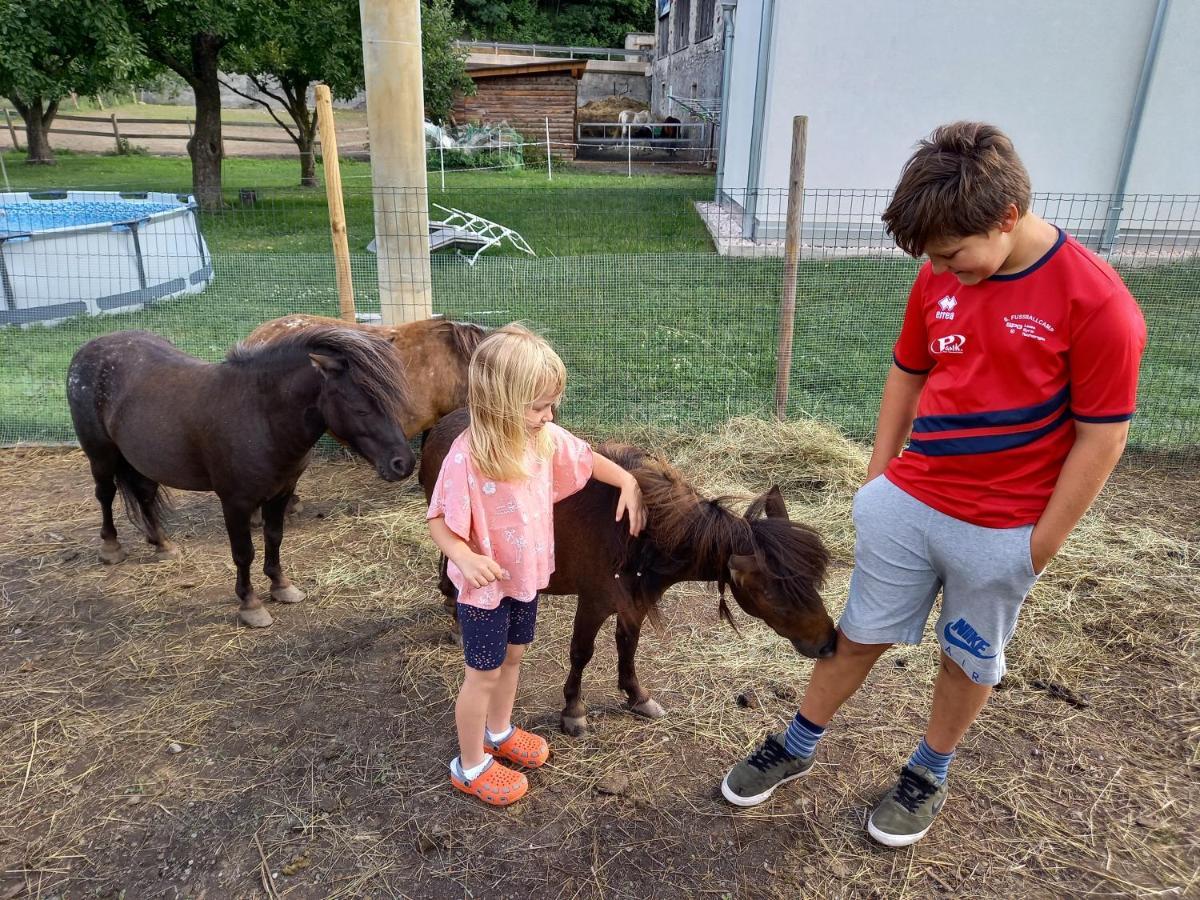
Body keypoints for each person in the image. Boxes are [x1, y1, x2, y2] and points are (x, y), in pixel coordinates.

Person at [720, 122, 1147, 846]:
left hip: (1002, 531)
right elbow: (908, 371)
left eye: (954, 255)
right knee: (855, 634)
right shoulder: (938, 276)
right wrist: (877, 480)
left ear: (1007, 217)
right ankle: (796, 746)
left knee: (967, 656)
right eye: (934, 259)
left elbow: (1103, 436)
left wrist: (1038, 546)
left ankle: (928, 771)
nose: (944, 271)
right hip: (910, 506)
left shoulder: (1099, 304)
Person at [427, 324, 647, 807]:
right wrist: (462, 555)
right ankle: (470, 765)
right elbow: (440, 522)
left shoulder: (542, 436)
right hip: (485, 590)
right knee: (480, 674)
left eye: (551, 403)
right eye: (538, 405)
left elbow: (587, 458)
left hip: (525, 581)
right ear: (499, 401)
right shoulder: (467, 457)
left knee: (514, 657)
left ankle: (500, 731)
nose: (550, 414)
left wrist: (627, 480)